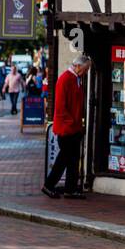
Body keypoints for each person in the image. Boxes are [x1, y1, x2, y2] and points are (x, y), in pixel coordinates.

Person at [43, 54, 90, 199]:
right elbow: (61, 107)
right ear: (77, 66)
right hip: (66, 128)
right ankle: (49, 185)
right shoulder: (65, 79)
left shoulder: (76, 79)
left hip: (73, 127)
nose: (86, 72)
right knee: (63, 159)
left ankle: (70, 188)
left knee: (73, 159)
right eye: (85, 69)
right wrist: (71, 123)